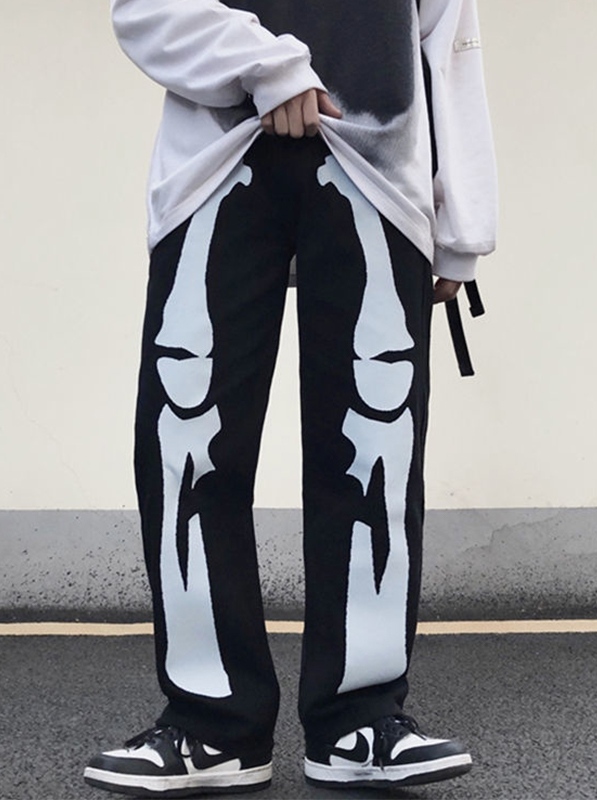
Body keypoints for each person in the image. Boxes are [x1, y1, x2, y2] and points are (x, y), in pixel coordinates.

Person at [84, 0, 497, 795]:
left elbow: (446, 38)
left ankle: (359, 719)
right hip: (215, 162)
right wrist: (269, 67)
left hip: (381, 169)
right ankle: (212, 724)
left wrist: (462, 228)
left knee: (376, 439)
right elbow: (145, 7)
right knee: (187, 435)